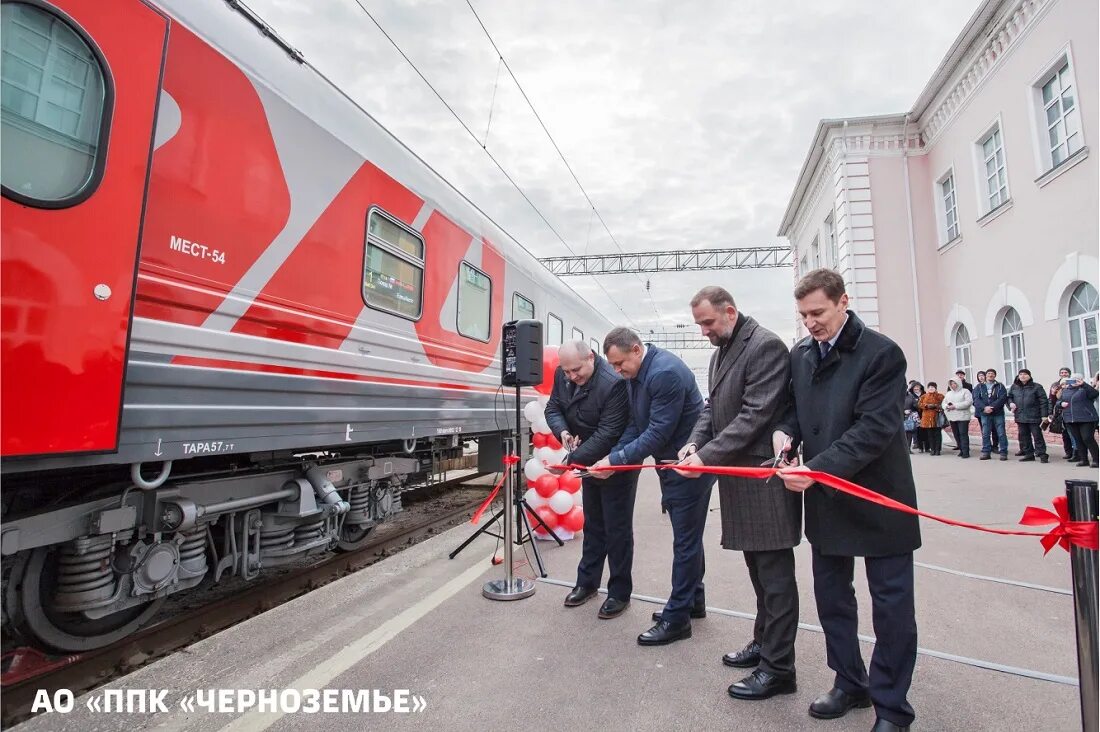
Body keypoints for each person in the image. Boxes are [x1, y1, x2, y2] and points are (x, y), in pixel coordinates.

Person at [773, 269, 919, 732]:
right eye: (803, 315)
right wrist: (786, 436)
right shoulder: (801, 355)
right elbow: (792, 410)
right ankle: (849, 682)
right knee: (833, 597)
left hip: (879, 497)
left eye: (817, 312)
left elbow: (874, 429)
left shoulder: (882, 354)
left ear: (843, 302)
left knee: (891, 607)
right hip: (827, 498)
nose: (810, 323)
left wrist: (815, 470)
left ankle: (893, 708)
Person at [671, 286, 800, 701]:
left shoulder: (765, 346)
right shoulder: (721, 352)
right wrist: (693, 443)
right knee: (758, 572)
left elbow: (755, 414)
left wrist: (705, 457)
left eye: (708, 322)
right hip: (740, 479)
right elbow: (711, 409)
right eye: (699, 324)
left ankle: (780, 669)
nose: (703, 331)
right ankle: (765, 645)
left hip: (761, 478)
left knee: (775, 577)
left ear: (730, 311)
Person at [588, 327, 715, 646]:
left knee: (685, 541)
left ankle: (678, 618)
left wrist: (615, 461)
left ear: (635, 349)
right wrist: (612, 457)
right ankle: (693, 601)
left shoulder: (664, 373)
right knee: (687, 537)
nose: (617, 371)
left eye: (619, 364)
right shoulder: (639, 375)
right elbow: (636, 425)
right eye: (612, 366)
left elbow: (657, 432)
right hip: (671, 465)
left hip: (688, 466)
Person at [544, 340, 638, 618]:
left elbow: (608, 433)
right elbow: (553, 409)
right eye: (566, 372)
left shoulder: (613, 384)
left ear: (591, 358)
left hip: (614, 462)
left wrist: (570, 463)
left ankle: (620, 593)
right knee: (594, 525)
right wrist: (562, 431)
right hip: (587, 461)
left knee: (617, 530)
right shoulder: (564, 376)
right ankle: (587, 583)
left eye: (576, 370)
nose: (571, 377)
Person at [1007, 369, 1050, 463]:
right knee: (1024, 437)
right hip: (1020, 416)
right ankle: (1029, 454)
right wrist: (1010, 404)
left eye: (1025, 374)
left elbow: (1043, 401)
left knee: (1037, 436)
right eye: (1020, 374)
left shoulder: (1036, 387)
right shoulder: (1014, 387)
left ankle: (1042, 454)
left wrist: (1044, 415)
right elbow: (1009, 397)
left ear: (1029, 376)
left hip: (1034, 416)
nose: (1022, 376)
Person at [1060, 373, 1099, 467]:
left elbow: (1094, 394)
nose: (1074, 382)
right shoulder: (1066, 390)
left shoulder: (1085, 389)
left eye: (1077, 380)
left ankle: (1096, 460)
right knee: (1078, 440)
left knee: (1087, 438)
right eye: (1072, 380)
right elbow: (1059, 401)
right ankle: (1084, 460)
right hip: (1071, 419)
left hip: (1087, 418)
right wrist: (1060, 404)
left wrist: (1083, 384)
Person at [972, 368, 1009, 461]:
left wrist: (992, 407)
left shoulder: (1000, 386)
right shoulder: (979, 387)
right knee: (985, 433)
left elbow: (1002, 398)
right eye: (988, 373)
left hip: (998, 413)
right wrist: (984, 408)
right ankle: (986, 452)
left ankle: (1003, 452)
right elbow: (976, 399)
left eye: (992, 373)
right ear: (986, 375)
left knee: (1001, 433)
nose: (990, 375)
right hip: (984, 413)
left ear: (995, 375)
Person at [1050, 367, 1076, 460]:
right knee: (1064, 434)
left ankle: (1076, 453)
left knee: (1072, 433)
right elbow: (1052, 400)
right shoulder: (1056, 385)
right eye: (1062, 372)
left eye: (1065, 372)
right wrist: (1053, 394)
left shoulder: (1072, 383)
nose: (1064, 374)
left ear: (1069, 374)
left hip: (1071, 411)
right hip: (1060, 412)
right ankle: (1068, 452)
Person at [943, 379, 973, 458]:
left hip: (963, 416)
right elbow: (944, 403)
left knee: (963, 434)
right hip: (952, 416)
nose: (953, 385)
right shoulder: (949, 393)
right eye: (952, 384)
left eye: (955, 383)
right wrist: (947, 406)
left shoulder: (965, 391)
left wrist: (955, 406)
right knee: (956, 434)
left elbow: (968, 402)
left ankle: (966, 451)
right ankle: (961, 450)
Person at [974, 371, 1000, 454]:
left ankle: (995, 446)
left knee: (994, 430)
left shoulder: (994, 386)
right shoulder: (977, 387)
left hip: (993, 411)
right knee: (985, 431)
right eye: (979, 376)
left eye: (982, 376)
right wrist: (983, 407)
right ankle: (987, 446)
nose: (981, 377)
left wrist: (990, 407)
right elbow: (975, 400)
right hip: (981, 412)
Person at [917, 382, 945, 456]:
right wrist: (926, 406)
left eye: (933, 387)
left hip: (936, 417)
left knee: (938, 434)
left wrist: (936, 406)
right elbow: (919, 404)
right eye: (930, 387)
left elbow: (943, 404)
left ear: (935, 388)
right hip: (927, 418)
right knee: (930, 435)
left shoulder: (940, 396)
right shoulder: (924, 396)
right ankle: (932, 449)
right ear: (927, 388)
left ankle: (938, 450)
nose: (931, 389)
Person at [903, 383, 923, 453]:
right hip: (900, 417)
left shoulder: (910, 396)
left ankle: (908, 449)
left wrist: (917, 405)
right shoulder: (896, 396)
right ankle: (902, 449)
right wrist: (903, 411)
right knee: (902, 434)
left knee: (909, 432)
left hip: (909, 416)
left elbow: (915, 405)